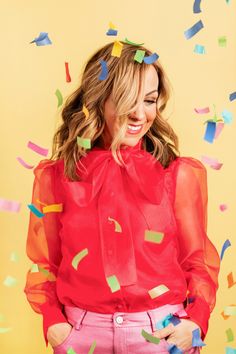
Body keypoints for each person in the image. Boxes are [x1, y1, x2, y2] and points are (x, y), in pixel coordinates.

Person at [24, 41, 221, 354]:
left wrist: (194, 323)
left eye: (150, 100)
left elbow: (196, 261)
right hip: (82, 335)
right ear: (100, 98)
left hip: (161, 333)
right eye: (128, 98)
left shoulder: (176, 174)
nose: (140, 114)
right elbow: (46, 263)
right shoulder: (58, 177)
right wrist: (54, 325)